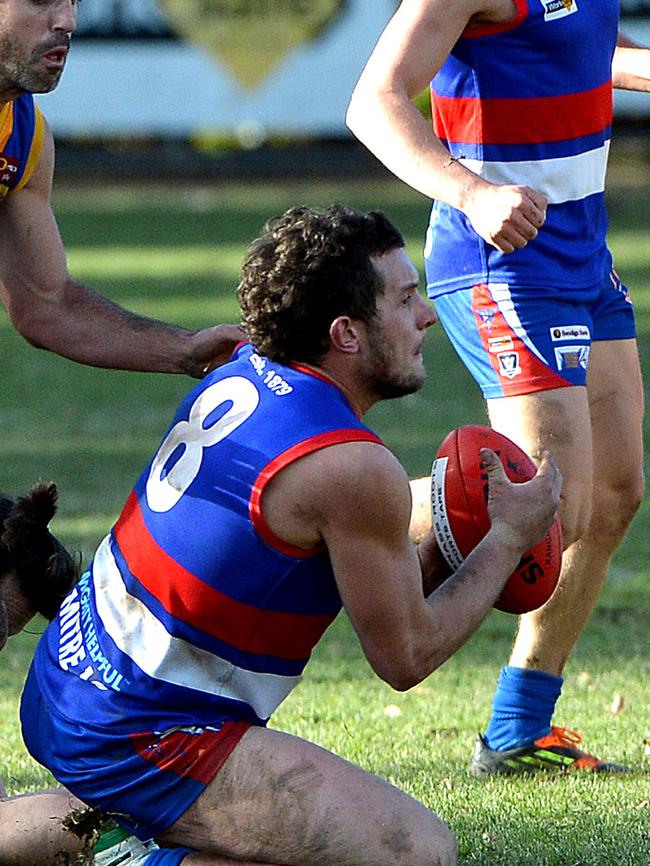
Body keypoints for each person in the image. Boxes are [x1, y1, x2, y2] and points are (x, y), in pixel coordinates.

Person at [18, 205, 561, 866]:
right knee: (416, 853)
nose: (426, 317)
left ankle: (69, 831)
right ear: (347, 334)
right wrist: (505, 539)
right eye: (406, 299)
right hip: (138, 736)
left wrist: (457, 537)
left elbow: (345, 584)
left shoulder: (246, 365)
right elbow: (406, 656)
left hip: (65, 683)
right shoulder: (350, 467)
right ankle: (108, 853)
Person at [346, 0, 649, 773]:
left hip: (580, 250)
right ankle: (314, 502)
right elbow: (374, 100)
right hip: (504, 261)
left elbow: (588, 46)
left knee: (613, 493)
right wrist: (473, 193)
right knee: (553, 500)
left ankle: (519, 729)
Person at [0, 0, 241, 376]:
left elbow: (46, 305)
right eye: (42, 0)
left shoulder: (24, 134)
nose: (67, 21)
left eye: (74, 2)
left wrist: (187, 349)